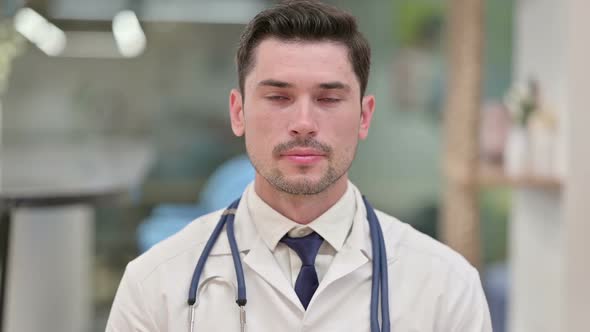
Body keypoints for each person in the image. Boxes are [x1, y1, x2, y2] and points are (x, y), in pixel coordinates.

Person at [105, 1, 492, 331]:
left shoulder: (446, 287)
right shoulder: (154, 286)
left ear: (364, 116)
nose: (304, 122)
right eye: (278, 96)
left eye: (328, 99)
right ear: (238, 113)